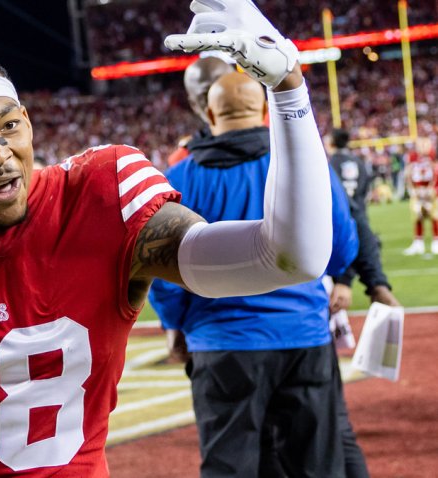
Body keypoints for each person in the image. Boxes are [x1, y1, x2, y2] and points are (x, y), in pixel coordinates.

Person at [0, 1, 332, 475]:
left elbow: (285, 259)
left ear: (29, 124)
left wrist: (288, 89)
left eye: (9, 126)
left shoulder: (103, 196)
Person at [149, 72, 360, 477]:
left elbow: (162, 271)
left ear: (209, 112)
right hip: (303, 339)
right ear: (266, 111)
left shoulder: (176, 180)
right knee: (316, 466)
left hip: (220, 343)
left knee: (230, 467)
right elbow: (341, 248)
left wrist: (174, 327)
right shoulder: (307, 167)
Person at [327, 128, 400, 309]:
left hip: (341, 224)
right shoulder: (358, 161)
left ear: (332, 143)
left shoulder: (329, 164)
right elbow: (363, 192)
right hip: (359, 217)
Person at [403, 138, 438, 255]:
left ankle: (436, 242)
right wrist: (412, 189)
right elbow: (408, 173)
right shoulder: (413, 157)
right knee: (417, 216)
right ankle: (418, 243)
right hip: (417, 192)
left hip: (431, 192)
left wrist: (432, 189)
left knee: (435, 216)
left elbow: (435, 172)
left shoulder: (433, 155)